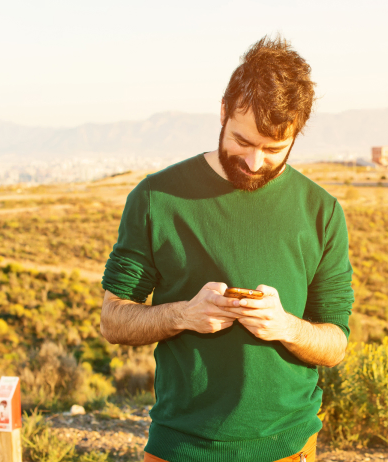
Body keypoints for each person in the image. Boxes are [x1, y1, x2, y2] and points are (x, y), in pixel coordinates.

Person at [100, 35, 354, 462]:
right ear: (223, 111)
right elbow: (113, 320)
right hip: (180, 445)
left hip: (288, 447)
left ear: (297, 133)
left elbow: (335, 344)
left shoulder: (322, 212)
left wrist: (285, 326)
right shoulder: (155, 198)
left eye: (273, 149)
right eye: (242, 141)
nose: (254, 162)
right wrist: (183, 314)